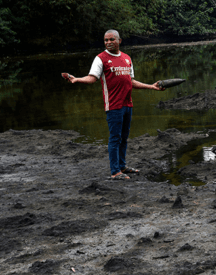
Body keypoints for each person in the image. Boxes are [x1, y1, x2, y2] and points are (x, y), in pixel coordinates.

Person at [62, 29, 164, 180]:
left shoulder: (127, 58)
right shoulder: (101, 58)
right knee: (115, 138)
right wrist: (76, 79)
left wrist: (152, 86)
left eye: (111, 39)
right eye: (106, 40)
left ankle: (122, 166)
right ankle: (115, 172)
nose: (108, 42)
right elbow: (92, 78)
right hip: (114, 106)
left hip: (128, 104)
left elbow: (131, 81)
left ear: (119, 41)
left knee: (124, 137)